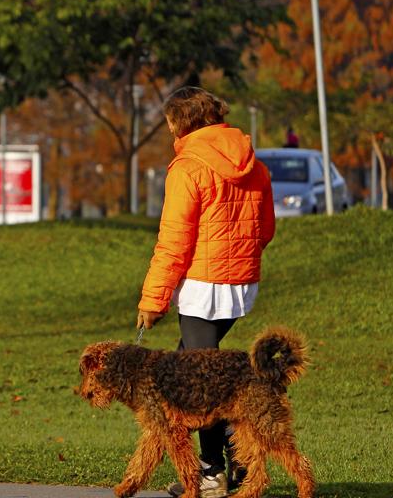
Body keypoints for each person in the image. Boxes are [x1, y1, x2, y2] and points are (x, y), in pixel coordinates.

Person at [135, 87, 275, 498]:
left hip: (201, 287)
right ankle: (240, 470)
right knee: (193, 372)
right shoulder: (255, 164)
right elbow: (265, 230)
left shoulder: (187, 166)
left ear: (181, 122)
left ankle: (213, 475)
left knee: (202, 384)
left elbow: (174, 241)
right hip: (240, 285)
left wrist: (152, 301)